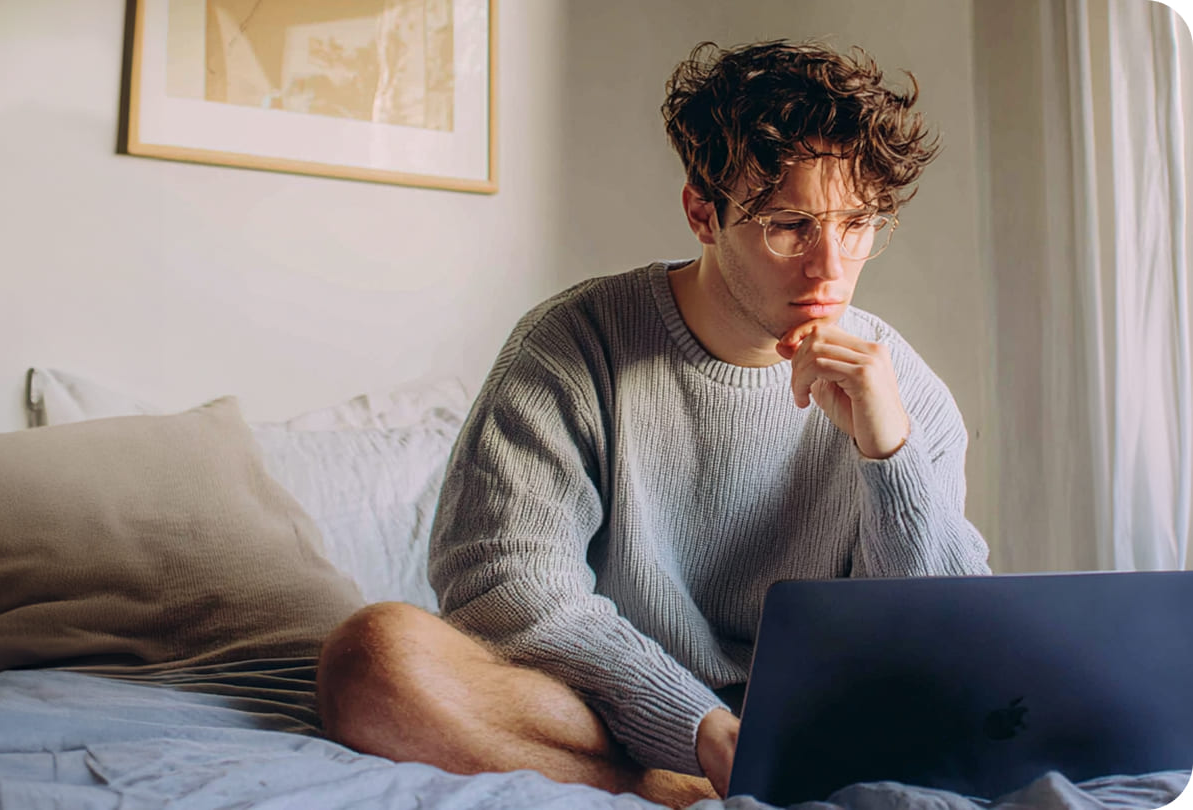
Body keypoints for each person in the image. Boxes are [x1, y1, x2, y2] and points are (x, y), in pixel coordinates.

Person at [315, 39, 992, 808]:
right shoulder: (575, 346)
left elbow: (945, 643)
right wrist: (694, 722)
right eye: (789, 226)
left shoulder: (903, 394)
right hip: (615, 711)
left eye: (859, 224)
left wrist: (889, 453)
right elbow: (503, 583)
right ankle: (680, 790)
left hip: (820, 726)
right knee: (375, 660)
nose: (829, 267)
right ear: (703, 213)